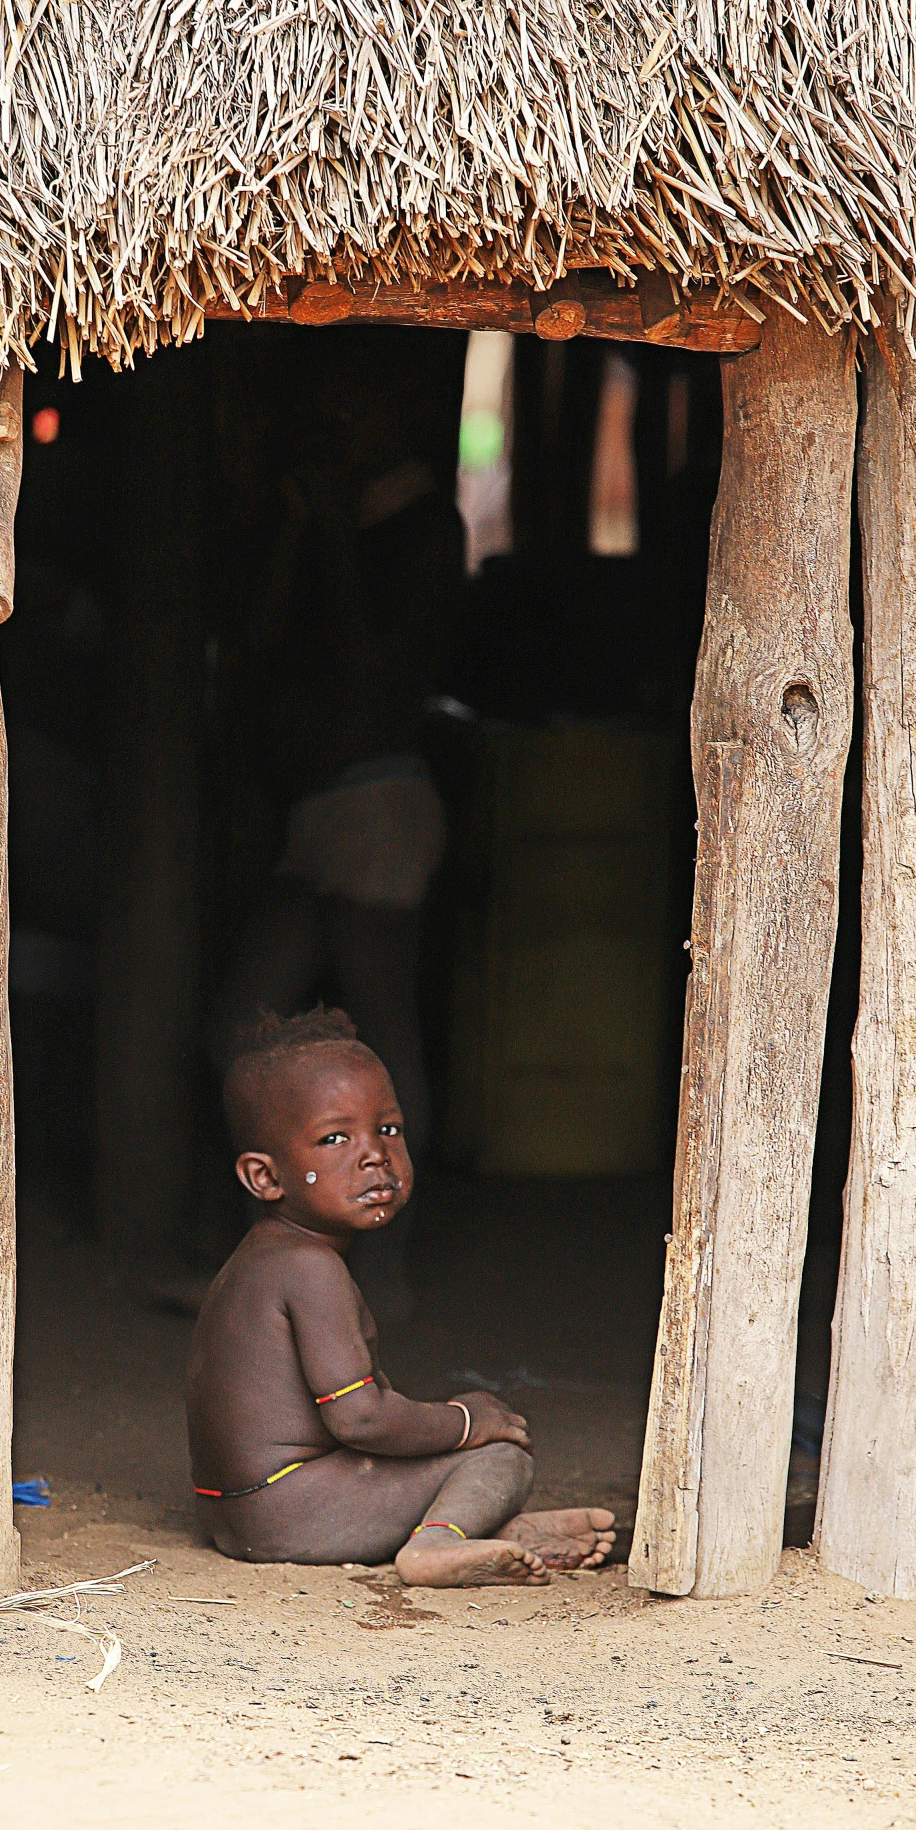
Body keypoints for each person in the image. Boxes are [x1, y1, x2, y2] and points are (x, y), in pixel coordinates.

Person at [206, 354, 467, 1321]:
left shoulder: (422, 531)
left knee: (383, 1036)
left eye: (352, 408)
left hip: (377, 802)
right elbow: (257, 652)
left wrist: (331, 543)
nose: (336, 427)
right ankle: (277, 1257)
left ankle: (384, 1269)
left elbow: (369, 681)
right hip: (316, 818)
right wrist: (302, 530)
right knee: (239, 1021)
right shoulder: (335, 528)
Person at [187, 1007, 615, 1586]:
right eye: (334, 1138)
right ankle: (434, 1548)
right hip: (286, 1512)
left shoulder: (260, 1261)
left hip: (236, 1512)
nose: (374, 1155)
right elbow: (360, 1419)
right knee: (499, 1457)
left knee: (440, 1453)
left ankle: (484, 1532)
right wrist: (464, 1421)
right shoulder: (310, 1269)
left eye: (387, 1129)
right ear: (265, 1177)